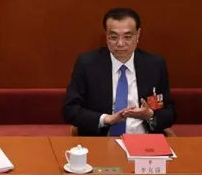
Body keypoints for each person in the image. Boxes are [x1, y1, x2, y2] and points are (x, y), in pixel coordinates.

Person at [63, 8, 175, 137]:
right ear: (106, 36)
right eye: (113, 37)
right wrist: (106, 119)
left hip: (144, 141)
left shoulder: (154, 65)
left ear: (138, 35)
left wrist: (150, 115)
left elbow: (170, 113)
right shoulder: (88, 64)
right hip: (101, 142)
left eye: (127, 37)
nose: (120, 44)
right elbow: (70, 110)